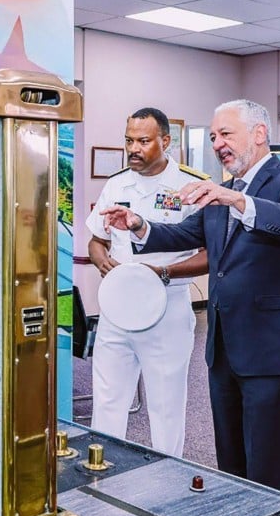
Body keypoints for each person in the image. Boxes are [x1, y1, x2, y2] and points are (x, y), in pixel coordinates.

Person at [100, 99, 280, 494]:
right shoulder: (222, 192)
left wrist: (235, 199)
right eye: (214, 136)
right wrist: (138, 224)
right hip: (225, 347)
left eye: (225, 134)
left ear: (259, 134)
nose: (217, 144)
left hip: (272, 350)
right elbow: (183, 235)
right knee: (230, 459)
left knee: (268, 463)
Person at [85, 107, 209, 457]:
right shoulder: (116, 183)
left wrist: (164, 273)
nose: (133, 148)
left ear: (165, 141)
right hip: (117, 309)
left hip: (166, 307)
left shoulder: (190, 186)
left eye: (143, 141)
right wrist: (100, 260)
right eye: (128, 140)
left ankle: (167, 477)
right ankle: (102, 470)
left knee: (166, 404)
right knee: (108, 400)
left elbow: (211, 254)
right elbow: (96, 240)